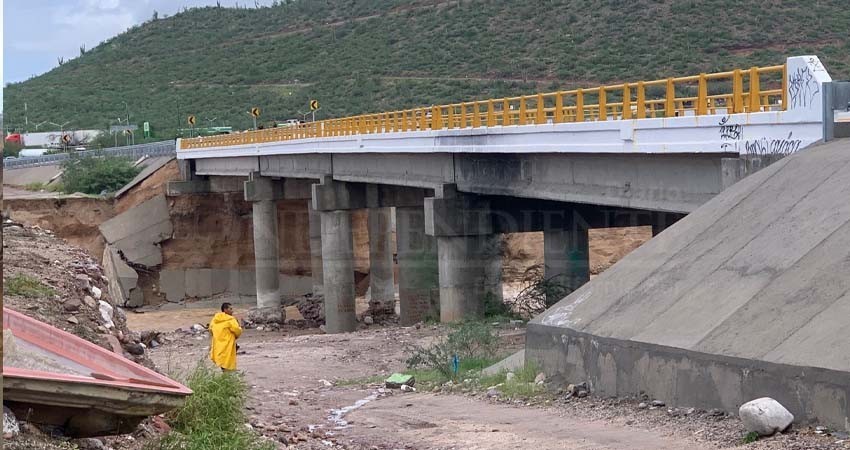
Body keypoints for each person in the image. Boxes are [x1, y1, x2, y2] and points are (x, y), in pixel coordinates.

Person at [209, 302, 242, 371]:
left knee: (221, 358)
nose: (232, 311)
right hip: (228, 343)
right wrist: (235, 336)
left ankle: (224, 371)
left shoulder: (215, 319)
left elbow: (211, 329)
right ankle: (227, 374)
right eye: (230, 309)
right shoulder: (231, 320)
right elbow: (237, 330)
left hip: (218, 343)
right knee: (228, 359)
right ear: (225, 309)